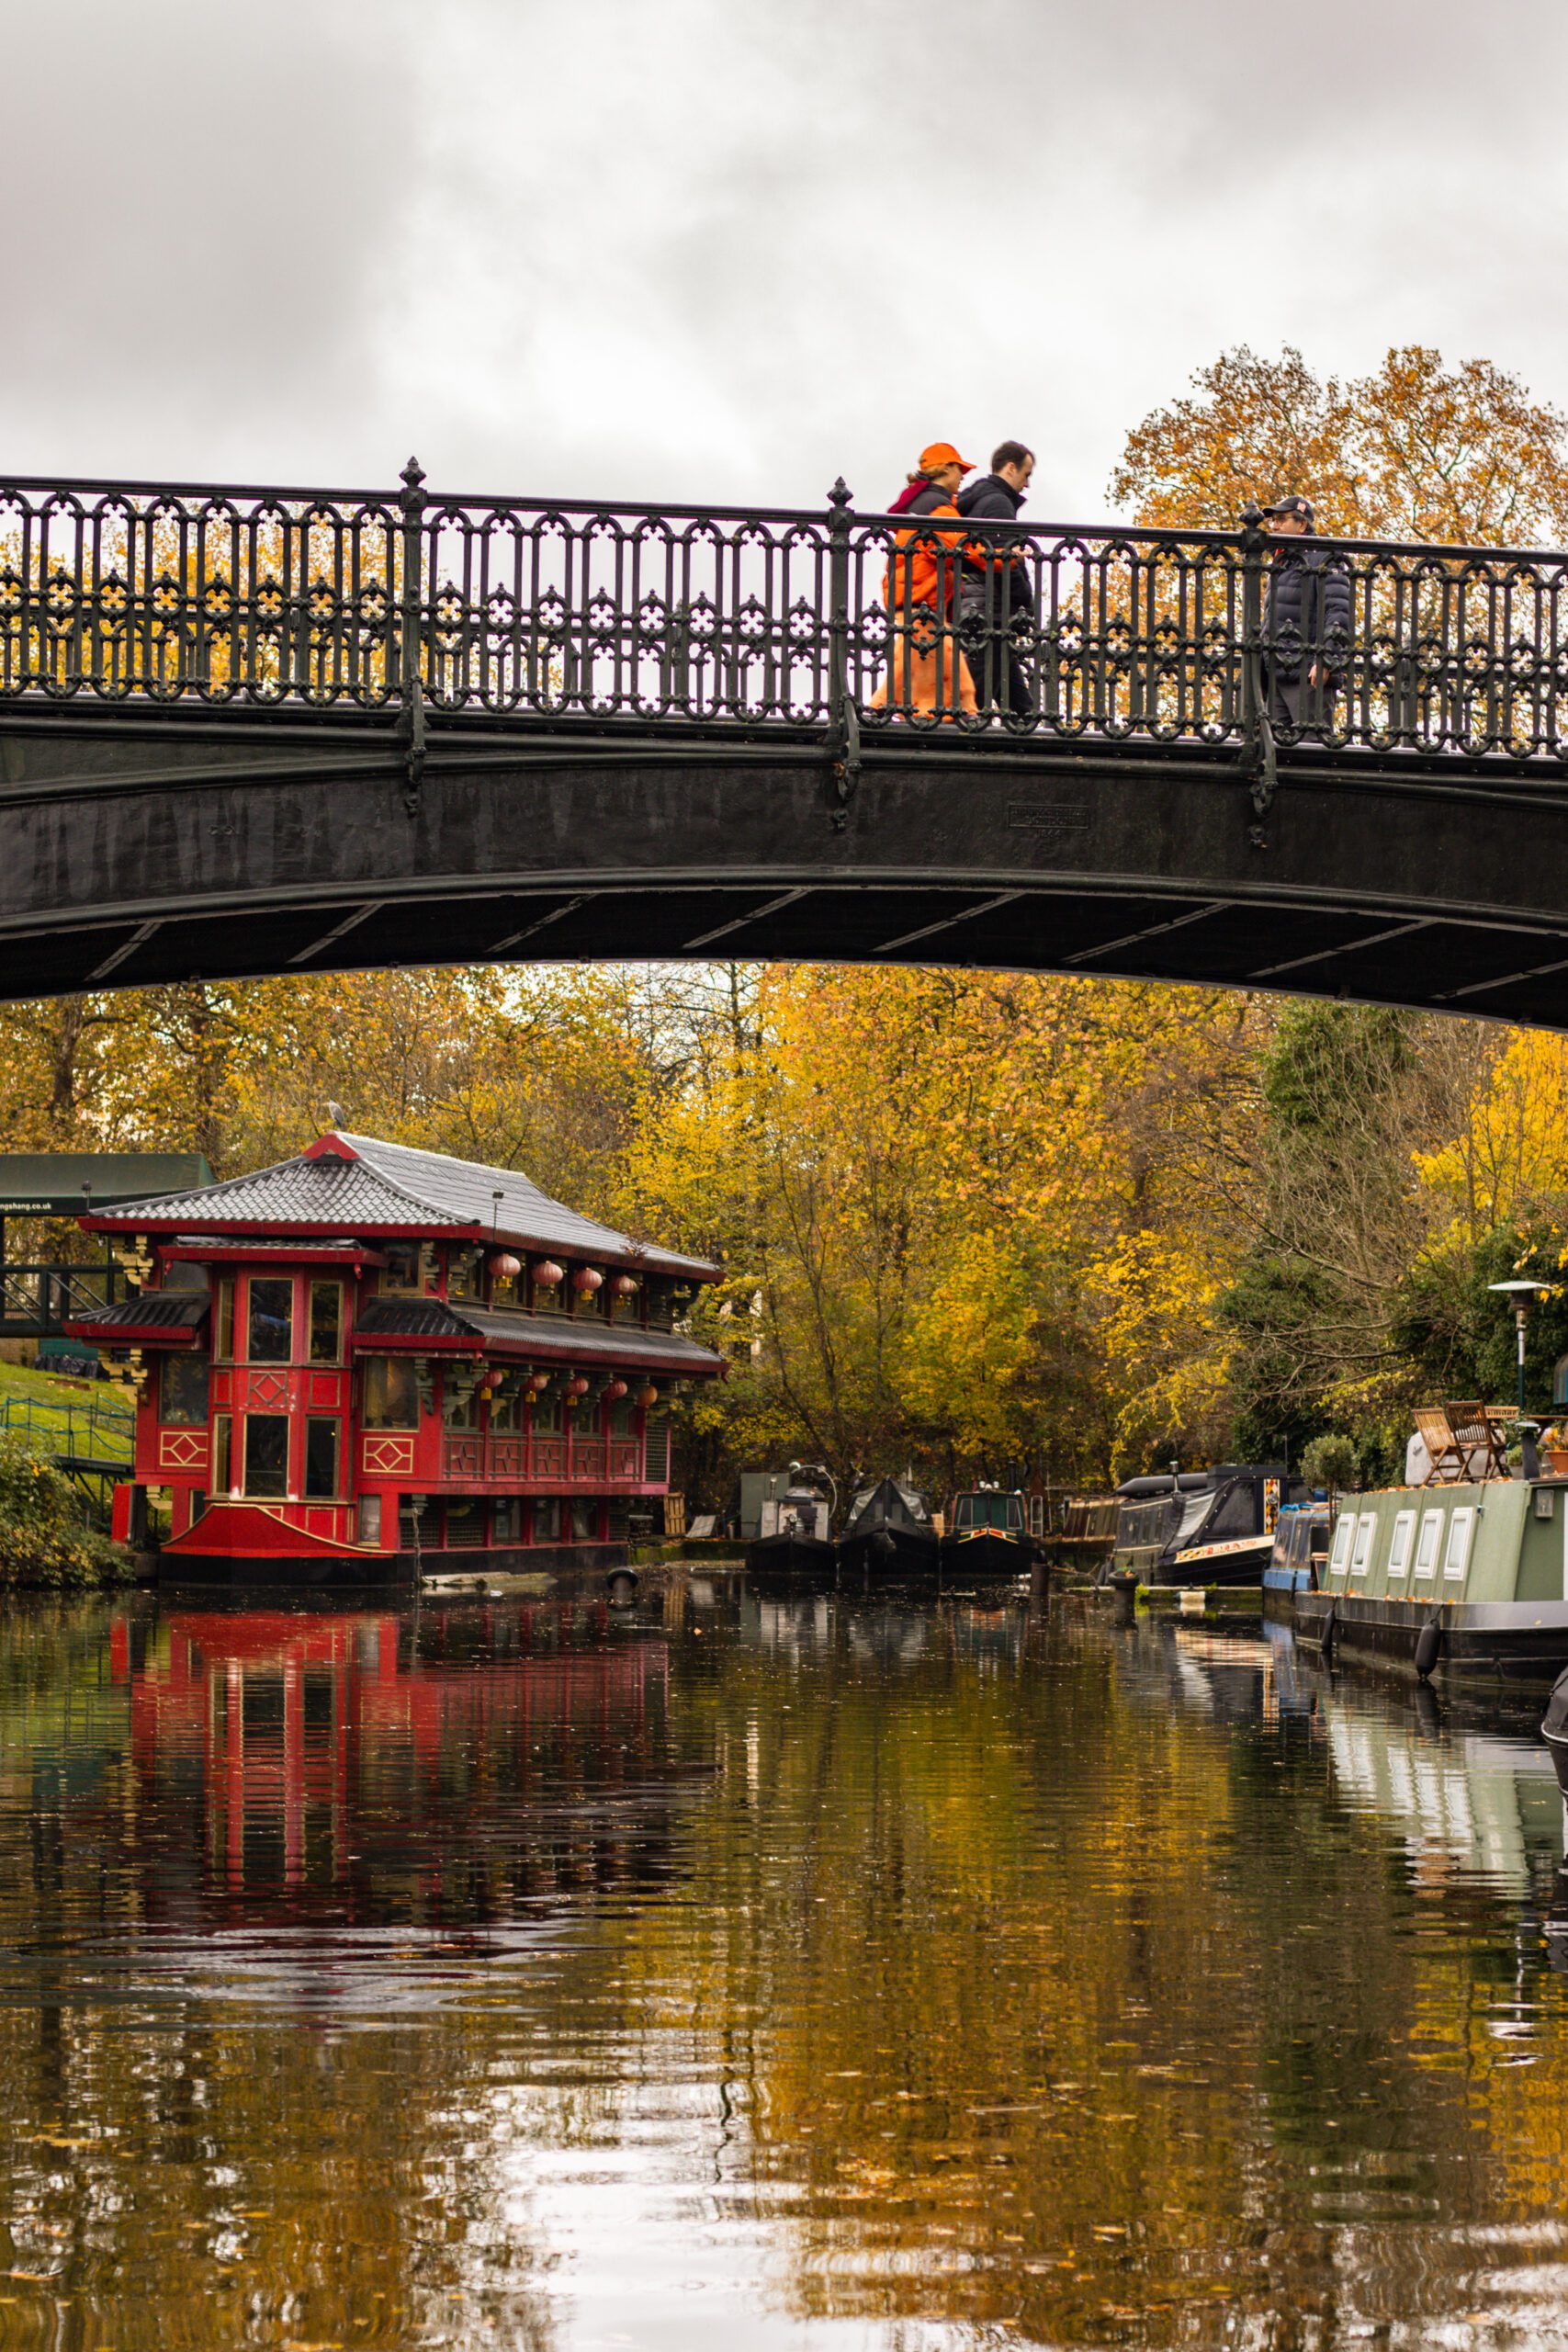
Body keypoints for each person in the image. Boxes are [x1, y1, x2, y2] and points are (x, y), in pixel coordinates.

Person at [871, 442, 979, 721]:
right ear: (946, 468)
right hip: (923, 595)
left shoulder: (917, 503)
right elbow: (965, 547)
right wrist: (1005, 557)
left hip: (909, 592)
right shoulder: (940, 509)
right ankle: (880, 707)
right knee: (932, 651)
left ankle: (957, 708)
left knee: (928, 652)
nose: (962, 476)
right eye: (960, 469)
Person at [956, 440, 1036, 718]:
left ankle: (1028, 734)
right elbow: (1002, 562)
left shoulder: (977, 500)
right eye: (1026, 474)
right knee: (974, 700)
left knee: (1019, 704)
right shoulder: (998, 503)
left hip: (975, 605)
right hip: (990, 611)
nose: (1027, 484)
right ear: (1011, 468)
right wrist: (1025, 601)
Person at [1261, 493, 1353, 736]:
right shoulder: (1281, 561)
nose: (1274, 526)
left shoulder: (1323, 557)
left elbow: (1338, 611)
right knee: (1275, 751)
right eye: (1272, 520)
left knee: (1312, 749)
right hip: (1277, 672)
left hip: (1309, 674)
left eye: (1281, 519)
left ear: (1301, 524)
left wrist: (1325, 659)